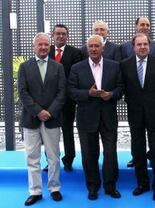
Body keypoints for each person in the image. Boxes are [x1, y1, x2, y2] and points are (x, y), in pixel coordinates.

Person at [67, 35, 124, 200]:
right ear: (87, 48)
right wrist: (88, 93)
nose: (93, 49)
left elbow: (121, 88)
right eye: (90, 46)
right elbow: (70, 91)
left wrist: (111, 94)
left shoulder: (114, 66)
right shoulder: (77, 68)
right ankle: (92, 187)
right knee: (89, 155)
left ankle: (110, 186)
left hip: (108, 117)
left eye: (96, 46)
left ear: (103, 48)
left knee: (110, 154)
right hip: (86, 118)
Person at [120, 33, 155, 201]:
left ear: (149, 46)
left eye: (145, 44)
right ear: (133, 47)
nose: (142, 47)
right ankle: (142, 183)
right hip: (135, 114)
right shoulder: (125, 65)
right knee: (138, 150)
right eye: (139, 44)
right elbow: (123, 88)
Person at [18, 32, 66, 206]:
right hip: (31, 119)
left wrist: (50, 112)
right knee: (32, 157)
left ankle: (54, 188)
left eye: (47, 44)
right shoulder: (24, 67)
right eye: (40, 45)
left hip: (52, 119)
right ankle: (35, 191)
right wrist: (38, 111)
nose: (44, 47)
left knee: (53, 157)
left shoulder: (57, 67)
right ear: (34, 47)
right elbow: (22, 92)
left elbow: (62, 93)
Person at [121, 16, 155, 168]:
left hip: (153, 102)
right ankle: (137, 159)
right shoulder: (124, 47)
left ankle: (152, 157)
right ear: (136, 26)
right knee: (137, 138)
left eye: (147, 24)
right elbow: (123, 76)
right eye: (142, 24)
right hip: (134, 102)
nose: (144, 26)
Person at [46, 24, 82, 172]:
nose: (61, 36)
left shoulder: (75, 53)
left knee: (67, 130)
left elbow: (75, 76)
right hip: (48, 100)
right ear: (53, 35)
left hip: (67, 100)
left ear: (67, 36)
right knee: (50, 133)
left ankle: (68, 159)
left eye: (63, 34)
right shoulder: (46, 51)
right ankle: (51, 161)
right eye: (58, 34)